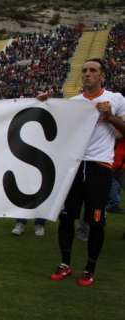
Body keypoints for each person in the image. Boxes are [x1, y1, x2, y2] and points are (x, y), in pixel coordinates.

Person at [45, 59, 125, 286]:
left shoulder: (116, 99)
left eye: (93, 70)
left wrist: (110, 117)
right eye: (85, 71)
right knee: (67, 217)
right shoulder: (74, 102)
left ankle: (90, 268)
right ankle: (65, 264)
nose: (87, 74)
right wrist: (43, 104)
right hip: (74, 166)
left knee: (96, 221)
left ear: (102, 76)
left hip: (100, 166)